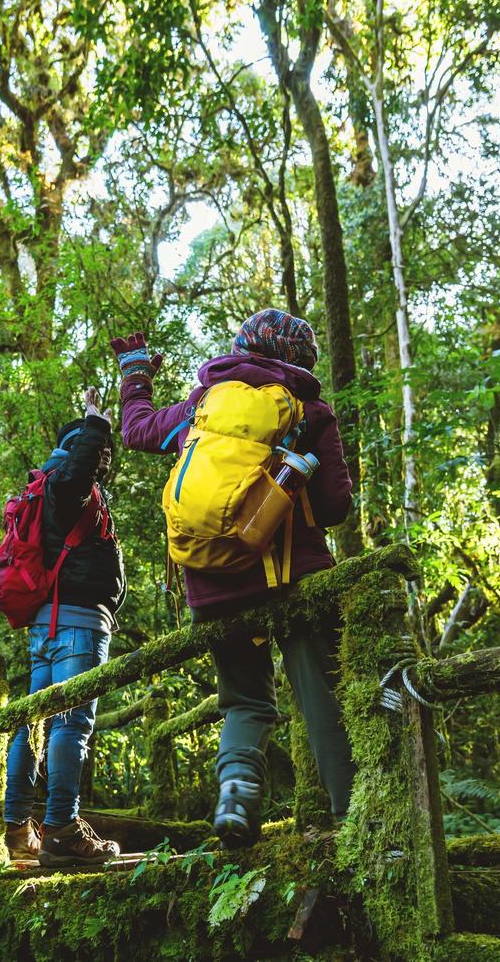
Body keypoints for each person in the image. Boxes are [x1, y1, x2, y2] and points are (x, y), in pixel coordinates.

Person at [113, 311, 356, 848]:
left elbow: (135, 431)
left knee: (245, 701)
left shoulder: (201, 406)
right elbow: (336, 505)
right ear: (300, 358)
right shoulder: (310, 409)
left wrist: (135, 375)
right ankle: (358, 823)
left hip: (213, 585)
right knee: (324, 698)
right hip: (292, 579)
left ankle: (237, 793)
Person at [2, 389, 124, 866]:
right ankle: (61, 830)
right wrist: (96, 424)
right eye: (100, 452)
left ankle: (17, 829)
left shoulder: (49, 488)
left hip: (49, 630)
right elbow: (79, 470)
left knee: (34, 727)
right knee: (71, 726)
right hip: (75, 627)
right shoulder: (65, 484)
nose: (105, 460)